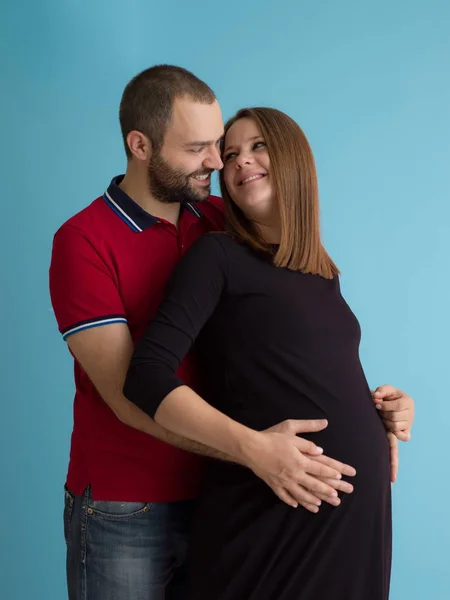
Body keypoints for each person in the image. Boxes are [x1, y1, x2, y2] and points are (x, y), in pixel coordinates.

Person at [49, 65, 414, 600]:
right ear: (140, 145)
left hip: (228, 491)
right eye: (199, 148)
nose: (219, 163)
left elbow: (279, 341)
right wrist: (255, 451)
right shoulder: (83, 241)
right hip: (127, 504)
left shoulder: (224, 218)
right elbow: (131, 394)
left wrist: (368, 409)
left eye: (219, 145)